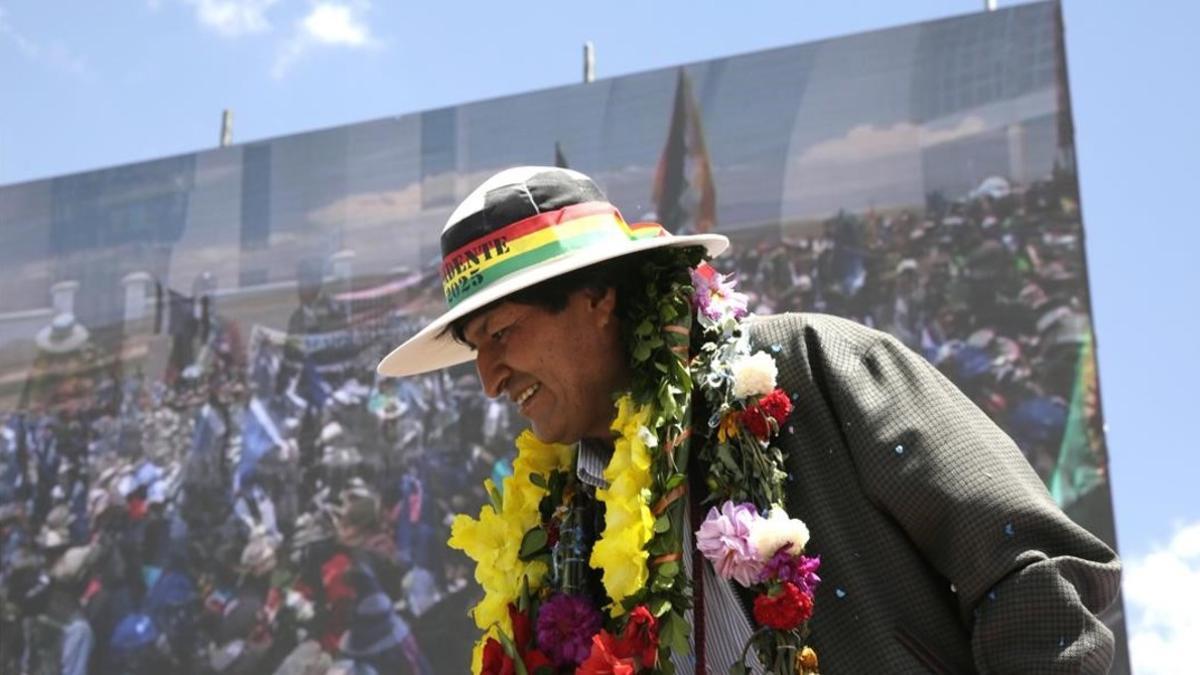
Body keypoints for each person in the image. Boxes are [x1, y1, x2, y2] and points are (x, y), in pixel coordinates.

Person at [376, 167, 1120, 673]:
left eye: (501, 335)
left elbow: (1028, 561)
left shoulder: (804, 364)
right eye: (475, 350)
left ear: (597, 298)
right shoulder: (560, 531)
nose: (487, 377)